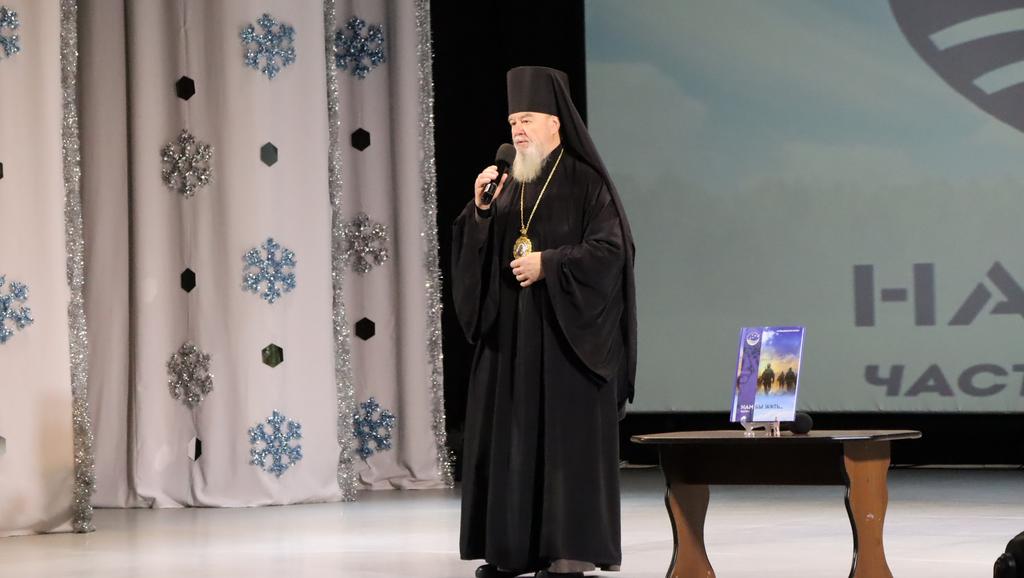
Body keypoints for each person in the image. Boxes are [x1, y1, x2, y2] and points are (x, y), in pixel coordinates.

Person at [452, 66, 637, 578]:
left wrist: (549, 264)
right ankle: (511, 551)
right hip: (511, 340)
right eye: (513, 121)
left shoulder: (586, 182)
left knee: (563, 449)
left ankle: (568, 552)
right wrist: (480, 213)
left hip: (565, 342)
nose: (517, 130)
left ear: (556, 122)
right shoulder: (506, 183)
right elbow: (474, 254)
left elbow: (612, 252)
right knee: (511, 444)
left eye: (527, 119)